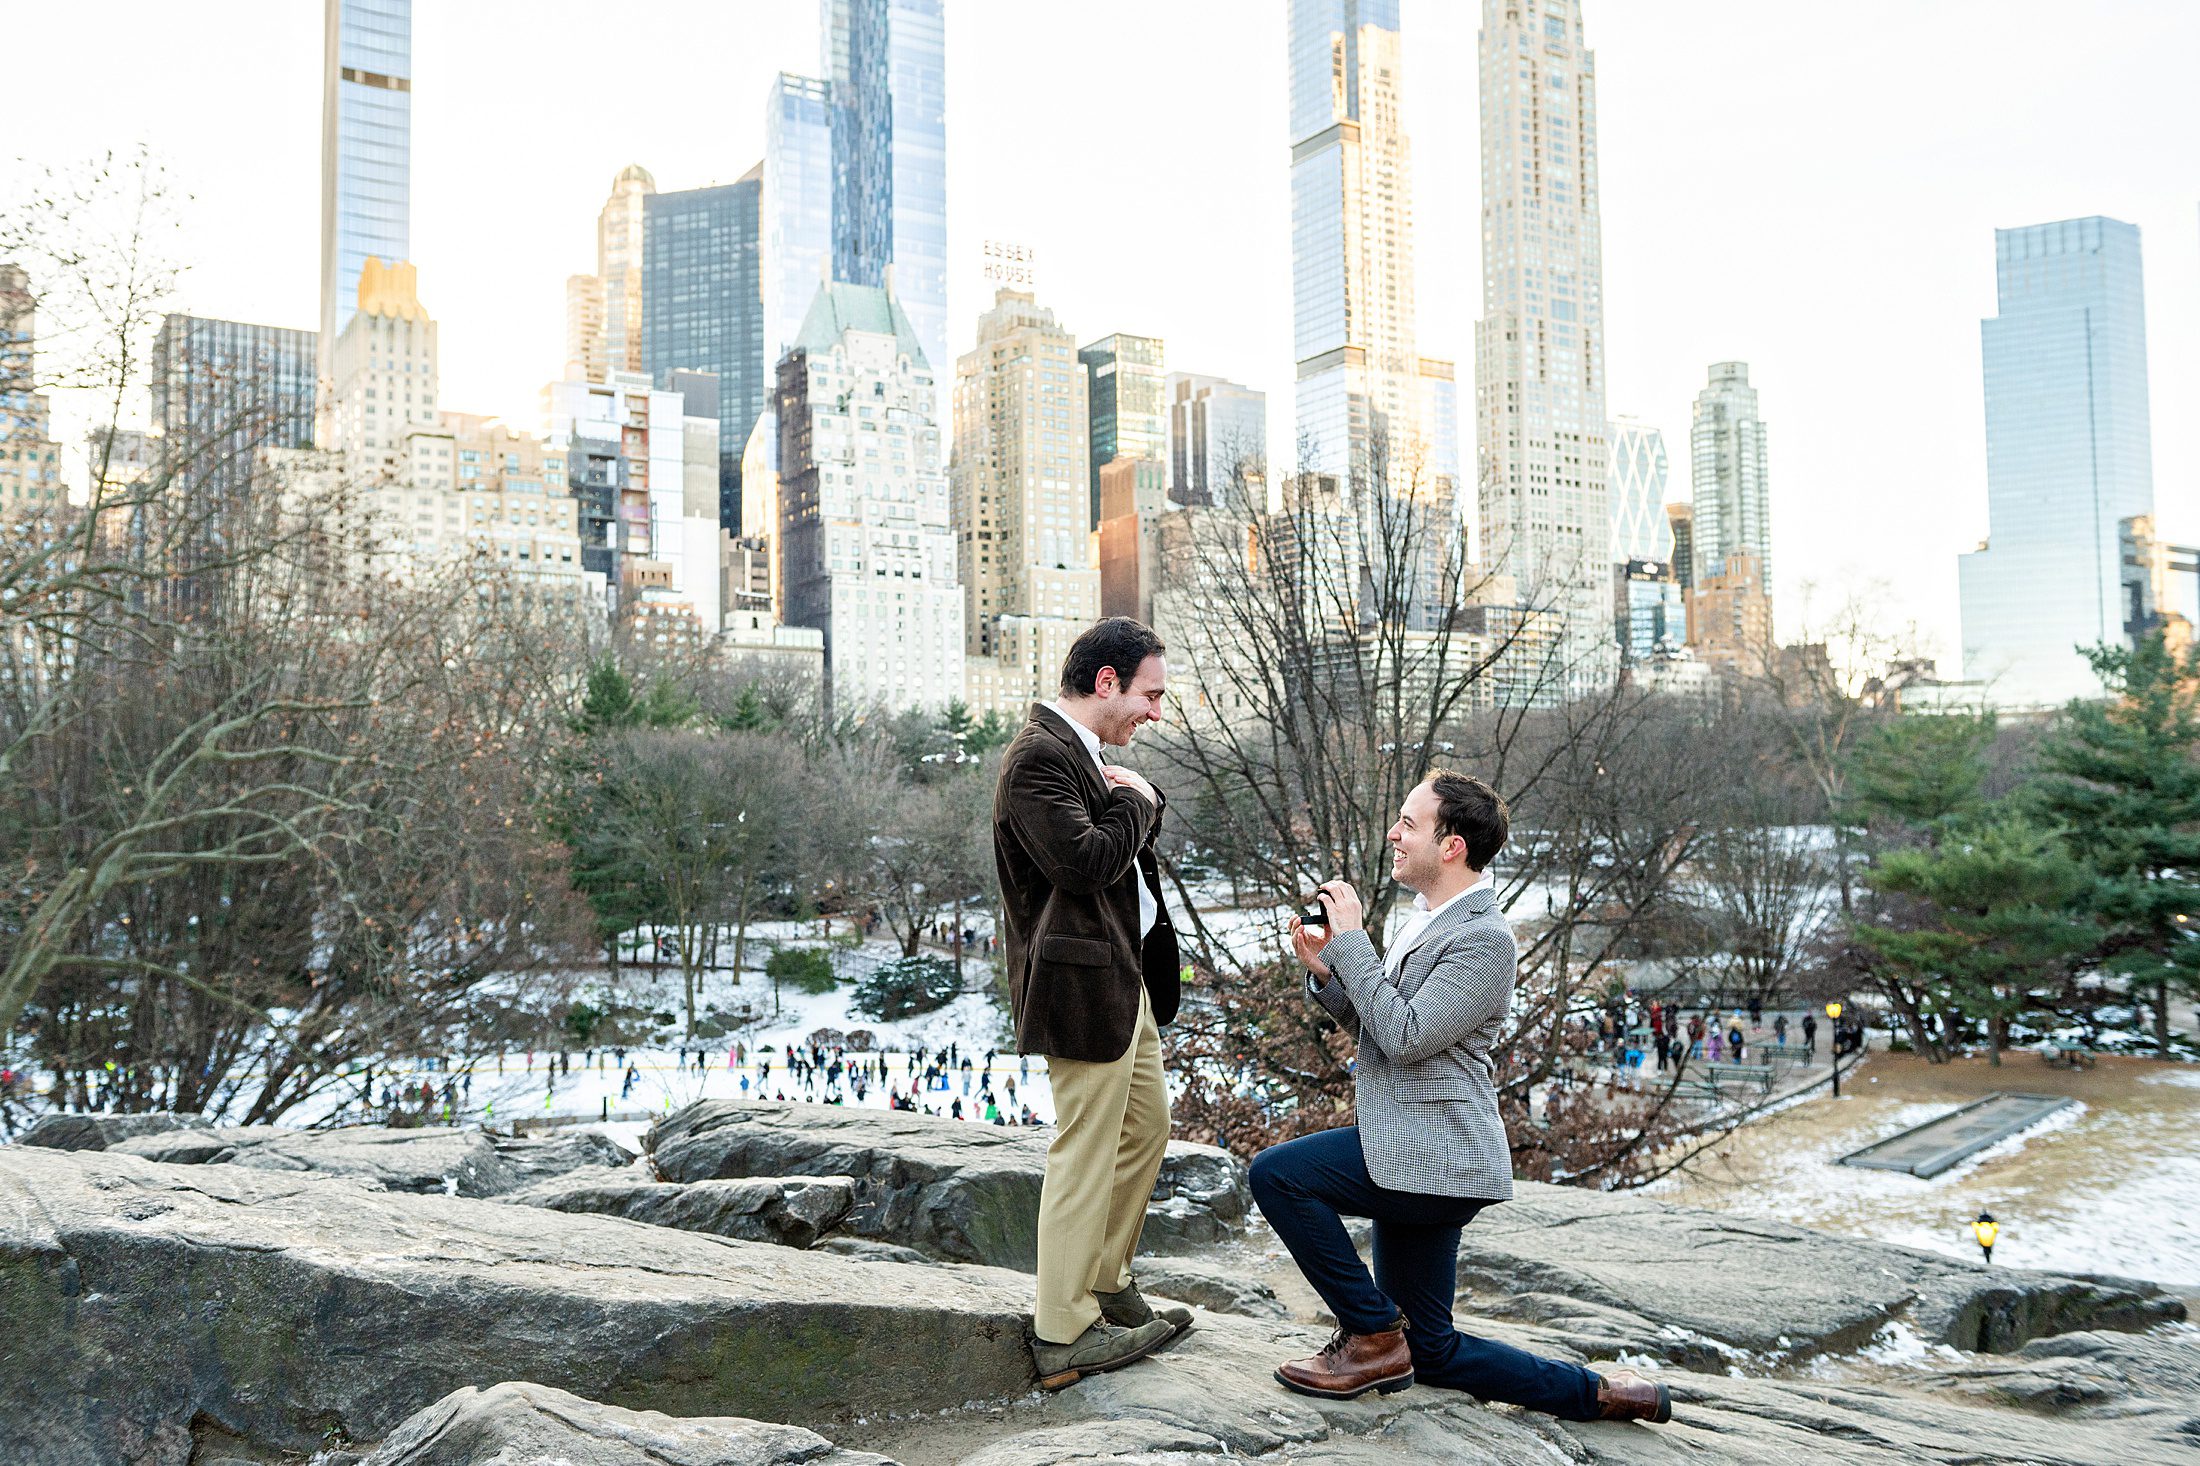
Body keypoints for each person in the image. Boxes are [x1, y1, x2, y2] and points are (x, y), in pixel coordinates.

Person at [1249, 772, 1669, 1425]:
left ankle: (1371, 1337)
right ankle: (1603, 1395)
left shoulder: (1484, 937)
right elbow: (1384, 1033)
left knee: (1278, 1176)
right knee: (1433, 1352)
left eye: (1409, 823)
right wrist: (1331, 975)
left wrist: (1355, 941)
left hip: (1435, 1154)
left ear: (1451, 846)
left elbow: (1409, 1038)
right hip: (1415, 1152)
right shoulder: (1431, 922)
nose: (1394, 832)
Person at [993, 617, 1189, 1390]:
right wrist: (1139, 799)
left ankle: (1106, 1278)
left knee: (1147, 1127)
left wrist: (1136, 798)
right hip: (1079, 986)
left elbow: (1120, 842)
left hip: (1121, 979)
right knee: (1084, 1148)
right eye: (1151, 695)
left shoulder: (1082, 756)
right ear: (1106, 683)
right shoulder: (1038, 759)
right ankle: (1063, 1328)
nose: (1157, 713)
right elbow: (1083, 863)